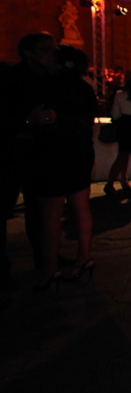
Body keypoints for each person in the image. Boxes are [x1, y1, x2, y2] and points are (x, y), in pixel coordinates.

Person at [29, 45, 99, 290]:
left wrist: (38, 120)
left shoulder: (45, 86)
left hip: (52, 153)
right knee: (81, 207)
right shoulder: (84, 88)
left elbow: (34, 117)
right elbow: (91, 117)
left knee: (50, 214)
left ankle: (49, 268)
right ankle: (84, 256)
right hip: (79, 151)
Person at [1, 33, 59, 287]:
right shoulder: (11, 79)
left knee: (39, 209)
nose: (52, 55)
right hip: (11, 152)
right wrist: (27, 121)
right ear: (28, 52)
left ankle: (45, 258)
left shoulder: (50, 79)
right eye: (46, 50)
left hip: (41, 152)